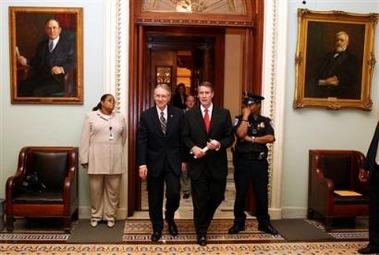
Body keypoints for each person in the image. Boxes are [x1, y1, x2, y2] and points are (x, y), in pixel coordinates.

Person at [182, 81, 234, 246]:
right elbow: (184, 136)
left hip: (217, 166)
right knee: (200, 201)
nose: (204, 95)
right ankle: (201, 232)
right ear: (198, 95)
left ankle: (203, 221)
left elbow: (230, 138)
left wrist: (219, 144)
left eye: (207, 93)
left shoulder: (224, 113)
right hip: (198, 166)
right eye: (201, 93)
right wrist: (193, 147)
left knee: (217, 197)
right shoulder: (189, 115)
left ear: (212, 94)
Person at [137, 83, 186, 242]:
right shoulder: (146, 115)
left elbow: (182, 138)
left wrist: (184, 159)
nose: (160, 99)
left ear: (169, 97)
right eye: (157, 95)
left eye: (163, 96)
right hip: (154, 163)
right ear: (153, 96)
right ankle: (157, 227)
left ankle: (170, 218)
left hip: (173, 161)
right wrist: (142, 164)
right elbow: (142, 141)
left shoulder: (178, 114)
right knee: (155, 197)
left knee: (173, 193)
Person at [228, 92, 278, 236]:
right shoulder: (239, 119)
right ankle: (238, 223)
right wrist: (245, 116)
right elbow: (240, 135)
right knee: (241, 193)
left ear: (258, 105)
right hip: (242, 162)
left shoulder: (266, 121)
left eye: (251, 104)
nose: (248, 107)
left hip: (259, 162)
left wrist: (252, 139)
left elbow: (270, 137)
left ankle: (264, 224)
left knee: (261, 193)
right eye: (246, 104)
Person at [79, 94, 126, 228]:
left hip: (115, 159)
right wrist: (84, 158)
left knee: (113, 191)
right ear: (101, 102)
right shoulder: (91, 116)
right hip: (96, 159)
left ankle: (110, 216)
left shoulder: (120, 117)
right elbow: (85, 138)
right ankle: (96, 216)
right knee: (96, 190)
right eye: (109, 100)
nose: (113, 103)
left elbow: (123, 137)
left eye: (114, 101)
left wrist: (114, 147)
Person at [17, 18, 76, 97]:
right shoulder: (42, 45)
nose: (52, 31)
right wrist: (26, 61)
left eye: (54, 28)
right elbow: (37, 61)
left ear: (59, 30)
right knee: (23, 86)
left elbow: (74, 62)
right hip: (40, 77)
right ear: (46, 30)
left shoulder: (68, 45)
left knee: (37, 91)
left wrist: (61, 69)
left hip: (57, 80)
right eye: (49, 28)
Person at [305, 31, 359, 99]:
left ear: (347, 43)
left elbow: (353, 76)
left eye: (341, 40)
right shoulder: (328, 55)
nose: (339, 42)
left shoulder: (352, 58)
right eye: (337, 40)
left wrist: (335, 78)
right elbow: (319, 71)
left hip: (340, 92)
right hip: (322, 90)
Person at [357, 122, 379, 254]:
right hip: (376, 170)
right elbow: (374, 144)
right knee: (375, 209)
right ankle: (375, 244)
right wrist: (365, 167)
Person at [181, 94, 196, 199]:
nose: (190, 103)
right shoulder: (180, 114)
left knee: (194, 169)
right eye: (188, 101)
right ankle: (186, 190)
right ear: (185, 102)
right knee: (184, 170)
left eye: (193, 101)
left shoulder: (198, 113)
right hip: (184, 145)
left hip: (196, 145)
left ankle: (194, 189)